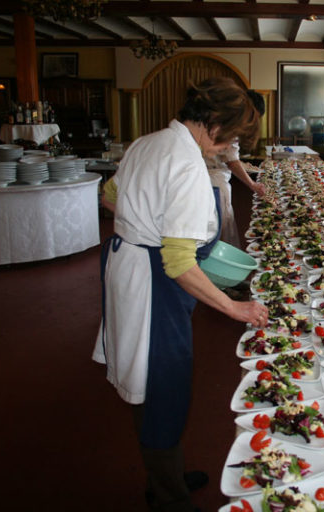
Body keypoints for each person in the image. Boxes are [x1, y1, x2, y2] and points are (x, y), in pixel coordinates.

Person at [92, 77, 269, 512]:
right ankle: (167, 497)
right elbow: (178, 262)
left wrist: (141, 224)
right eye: (228, 138)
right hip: (153, 281)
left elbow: (109, 194)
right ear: (213, 124)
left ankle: (165, 475)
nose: (227, 147)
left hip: (125, 263)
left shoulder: (148, 141)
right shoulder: (188, 164)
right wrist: (234, 307)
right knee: (163, 384)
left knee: (149, 383)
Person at [205, 90, 267, 247]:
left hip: (208, 174)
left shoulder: (222, 116)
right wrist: (252, 185)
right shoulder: (232, 123)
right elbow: (232, 162)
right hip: (215, 178)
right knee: (221, 224)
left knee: (212, 224)